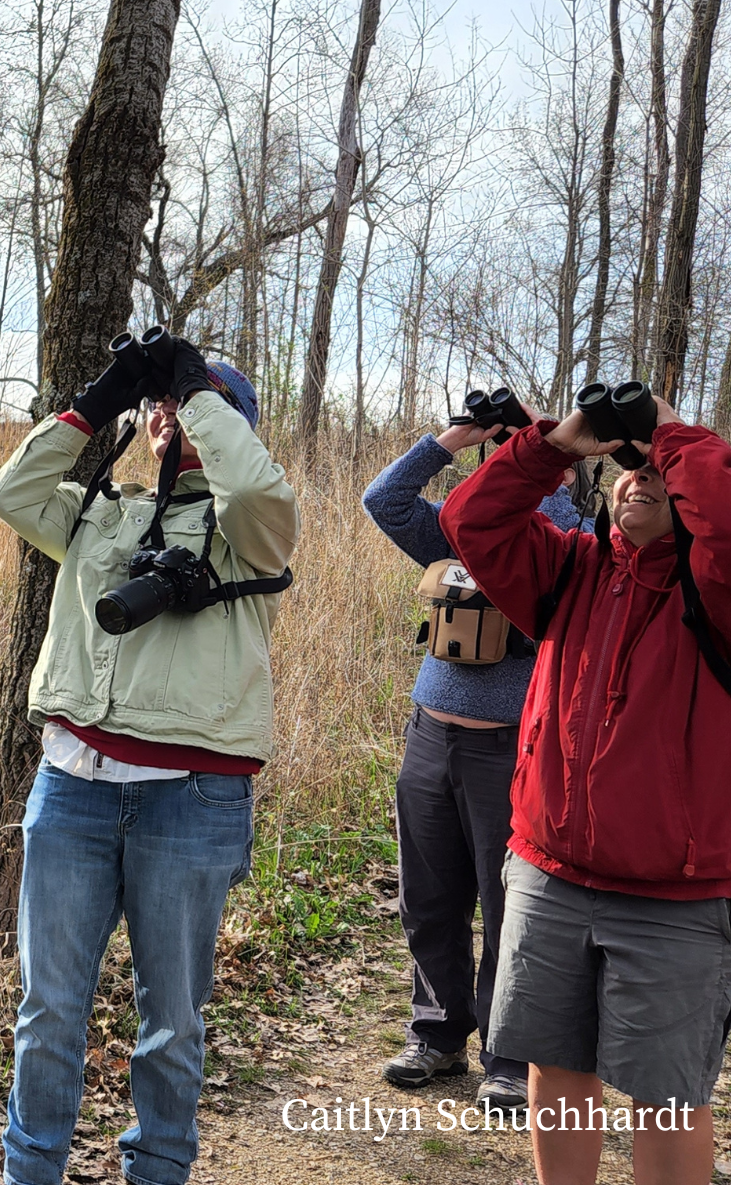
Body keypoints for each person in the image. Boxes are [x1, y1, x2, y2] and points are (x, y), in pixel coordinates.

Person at [0, 335, 298, 1185]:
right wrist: (104, 395)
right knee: (48, 1009)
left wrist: (199, 390)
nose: (170, 414)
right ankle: (30, 1173)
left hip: (189, 798)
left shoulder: (250, 532)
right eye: (160, 406)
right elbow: (9, 492)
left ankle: (157, 1169)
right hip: (72, 786)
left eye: (191, 405)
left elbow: (258, 485)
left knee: (172, 1018)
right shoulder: (102, 510)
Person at [441, 394, 731, 1185]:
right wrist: (559, 443)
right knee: (557, 1061)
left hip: (676, 893)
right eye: (627, 465)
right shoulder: (569, 565)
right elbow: (469, 519)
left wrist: (674, 434)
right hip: (550, 870)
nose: (640, 477)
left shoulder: (716, 585)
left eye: (659, 470)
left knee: (667, 1097)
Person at [361, 414, 590, 1113]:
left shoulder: (565, 543)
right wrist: (454, 439)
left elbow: (548, 515)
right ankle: (436, 1033)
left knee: (509, 906)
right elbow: (385, 499)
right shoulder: (452, 533)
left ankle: (510, 1055)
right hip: (430, 732)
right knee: (428, 896)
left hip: (511, 741)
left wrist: (539, 451)